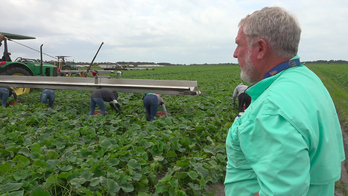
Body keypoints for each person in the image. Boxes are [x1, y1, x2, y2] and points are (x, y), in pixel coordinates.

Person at [224, 6, 345, 196]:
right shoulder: (306, 79)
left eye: (239, 44)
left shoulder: (272, 111)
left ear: (261, 48)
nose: (234, 53)